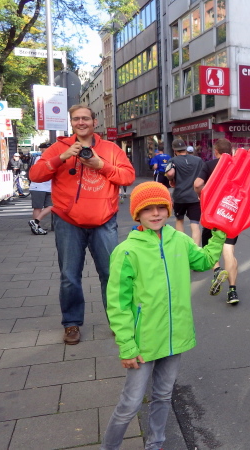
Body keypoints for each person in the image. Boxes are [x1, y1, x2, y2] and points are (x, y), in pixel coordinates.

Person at [101, 181, 225, 450]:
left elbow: (203, 261)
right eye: (148, 208)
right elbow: (118, 305)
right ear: (137, 213)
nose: (156, 213)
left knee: (163, 395)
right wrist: (126, 345)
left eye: (161, 207)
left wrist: (218, 236)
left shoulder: (179, 239)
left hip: (175, 335)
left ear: (169, 209)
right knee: (130, 404)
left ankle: (155, 444)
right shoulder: (127, 251)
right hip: (143, 342)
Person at [29, 104, 135, 345]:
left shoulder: (111, 149)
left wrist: (101, 165)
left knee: (111, 274)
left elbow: (128, 176)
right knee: (69, 276)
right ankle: (71, 323)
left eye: (85, 118)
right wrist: (62, 157)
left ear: (94, 122)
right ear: (72, 123)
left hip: (104, 221)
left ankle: (118, 322)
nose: (81, 122)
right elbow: (35, 175)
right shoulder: (59, 148)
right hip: (68, 222)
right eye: (76, 119)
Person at [194, 138, 240, 304]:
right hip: (232, 212)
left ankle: (217, 269)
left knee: (211, 245)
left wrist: (202, 194)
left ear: (216, 151)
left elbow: (197, 184)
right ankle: (232, 291)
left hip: (213, 212)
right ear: (230, 150)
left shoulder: (209, 165)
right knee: (229, 249)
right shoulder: (237, 166)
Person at [166, 139, 204, 246]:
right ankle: (195, 248)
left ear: (174, 150)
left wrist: (171, 180)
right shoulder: (198, 160)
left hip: (180, 196)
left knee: (179, 220)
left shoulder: (173, 160)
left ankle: (182, 246)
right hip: (195, 196)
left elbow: (170, 173)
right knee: (195, 224)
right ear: (185, 148)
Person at [28, 144, 53, 235]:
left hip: (49, 187)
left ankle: (35, 222)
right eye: (46, 148)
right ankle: (37, 226)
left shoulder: (51, 158)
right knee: (38, 207)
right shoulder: (38, 159)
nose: (48, 149)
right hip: (38, 186)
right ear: (42, 149)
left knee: (52, 206)